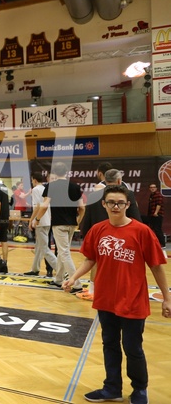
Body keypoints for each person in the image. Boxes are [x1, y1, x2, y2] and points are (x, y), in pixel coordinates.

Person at [62, 185, 170, 404]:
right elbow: (90, 259)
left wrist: (167, 298)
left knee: (132, 347)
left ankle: (140, 389)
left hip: (133, 300)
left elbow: (157, 266)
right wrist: (74, 278)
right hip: (106, 299)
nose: (115, 206)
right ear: (104, 204)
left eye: (120, 202)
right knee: (109, 344)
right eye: (111, 202)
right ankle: (112, 388)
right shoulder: (98, 230)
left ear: (128, 205)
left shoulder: (142, 231)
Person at [77, 169, 143, 301]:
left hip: (99, 235)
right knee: (121, 264)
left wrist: (85, 234)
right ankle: (121, 291)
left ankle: (93, 291)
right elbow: (136, 218)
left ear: (104, 180)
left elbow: (87, 218)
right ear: (119, 181)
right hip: (123, 237)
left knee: (94, 261)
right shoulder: (127, 194)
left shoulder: (94, 195)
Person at [31, 162, 85, 293]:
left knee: (64, 253)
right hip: (71, 224)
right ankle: (59, 279)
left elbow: (44, 206)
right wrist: (77, 220)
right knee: (62, 251)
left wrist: (36, 219)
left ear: (54, 173)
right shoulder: (75, 187)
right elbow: (82, 208)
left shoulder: (51, 186)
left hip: (59, 224)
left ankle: (76, 283)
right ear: (66, 172)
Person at [25, 173, 57, 277]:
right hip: (47, 220)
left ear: (34, 180)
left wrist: (31, 220)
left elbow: (37, 207)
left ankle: (62, 270)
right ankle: (35, 269)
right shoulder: (44, 188)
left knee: (44, 248)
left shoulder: (35, 190)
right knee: (39, 247)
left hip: (40, 221)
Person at [146, 182, 165, 249]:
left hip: (157, 215)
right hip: (152, 215)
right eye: (151, 187)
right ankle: (155, 242)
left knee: (157, 229)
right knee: (152, 228)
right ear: (149, 189)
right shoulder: (152, 195)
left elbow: (158, 204)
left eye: (153, 187)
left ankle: (162, 244)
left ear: (156, 188)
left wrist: (156, 213)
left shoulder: (158, 195)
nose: (152, 189)